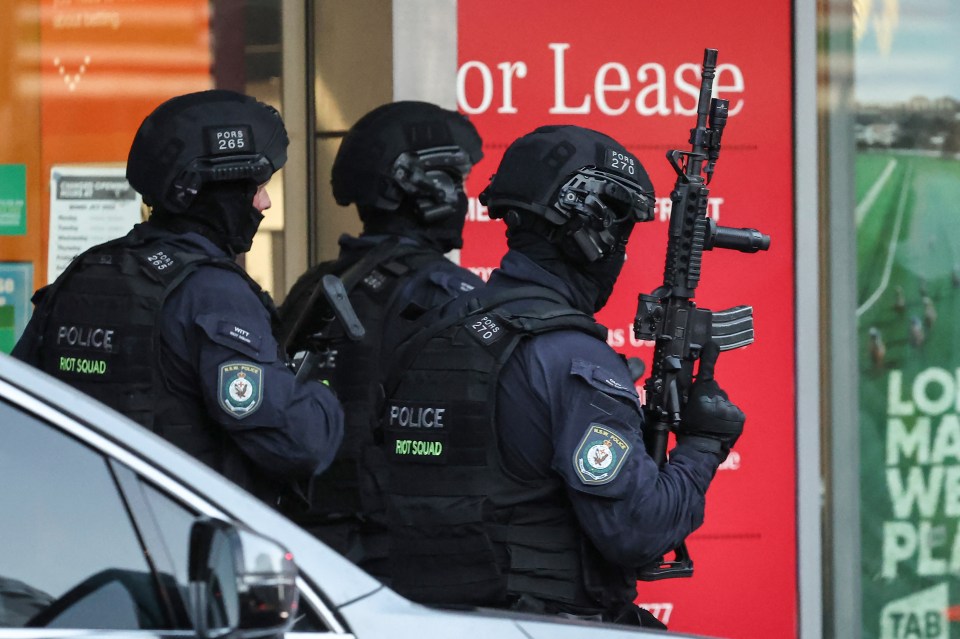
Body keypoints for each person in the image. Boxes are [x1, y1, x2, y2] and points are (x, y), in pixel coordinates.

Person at [378, 125, 746, 627]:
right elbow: (636, 529)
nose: (621, 252)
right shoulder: (570, 358)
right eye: (621, 232)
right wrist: (704, 446)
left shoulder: (434, 327)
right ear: (590, 231)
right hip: (537, 623)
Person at [13, 89, 343, 504]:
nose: (264, 202)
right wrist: (323, 389)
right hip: (177, 545)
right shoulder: (213, 294)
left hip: (76, 538)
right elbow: (297, 444)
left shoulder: (86, 272)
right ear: (213, 190)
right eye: (255, 187)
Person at [276, 100, 484, 572]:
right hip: (402, 550)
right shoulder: (444, 290)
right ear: (419, 187)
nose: (462, 197)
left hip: (313, 537)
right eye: (455, 180)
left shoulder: (320, 282)